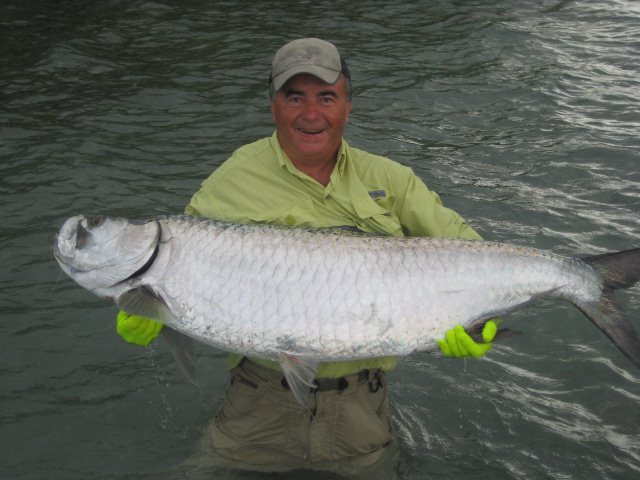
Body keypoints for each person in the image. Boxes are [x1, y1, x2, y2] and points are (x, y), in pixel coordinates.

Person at [116, 38, 497, 475]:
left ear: (348, 106)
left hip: (361, 411)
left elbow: (476, 256)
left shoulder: (391, 179)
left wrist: (481, 322)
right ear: (274, 106)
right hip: (254, 409)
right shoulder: (231, 179)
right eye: (294, 97)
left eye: (326, 97)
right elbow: (179, 266)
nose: (311, 114)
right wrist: (147, 306)